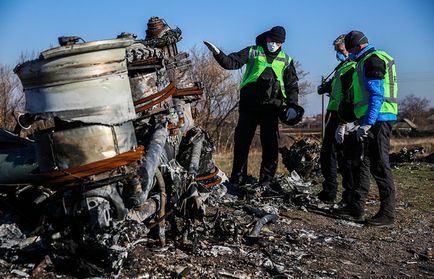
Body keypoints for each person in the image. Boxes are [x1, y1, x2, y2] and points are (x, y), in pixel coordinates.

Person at [204, 26, 300, 188]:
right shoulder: (253, 51)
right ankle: (237, 180)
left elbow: (292, 85)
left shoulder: (286, 60)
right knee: (242, 142)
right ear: (266, 38)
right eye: (271, 40)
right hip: (250, 104)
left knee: (270, 145)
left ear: (282, 43)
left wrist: (293, 105)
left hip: (272, 106)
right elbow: (232, 62)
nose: (272, 44)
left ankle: (266, 182)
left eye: (277, 42)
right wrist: (218, 54)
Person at [335, 30, 398, 227]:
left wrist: (369, 123)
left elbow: (376, 95)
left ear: (358, 47)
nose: (349, 53)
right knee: (361, 162)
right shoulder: (363, 61)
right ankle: (356, 207)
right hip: (367, 119)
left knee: (380, 165)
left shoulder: (372, 60)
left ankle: (387, 214)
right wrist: (346, 123)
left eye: (351, 49)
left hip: (379, 119)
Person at [317, 34, 356, 205]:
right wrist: (325, 87)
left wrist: (344, 122)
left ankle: (349, 194)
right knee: (327, 155)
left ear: (349, 48)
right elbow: (336, 87)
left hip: (344, 117)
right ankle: (329, 190)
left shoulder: (353, 66)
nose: (338, 54)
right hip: (333, 113)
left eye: (340, 50)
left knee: (344, 157)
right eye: (336, 51)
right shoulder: (341, 67)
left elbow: (350, 96)